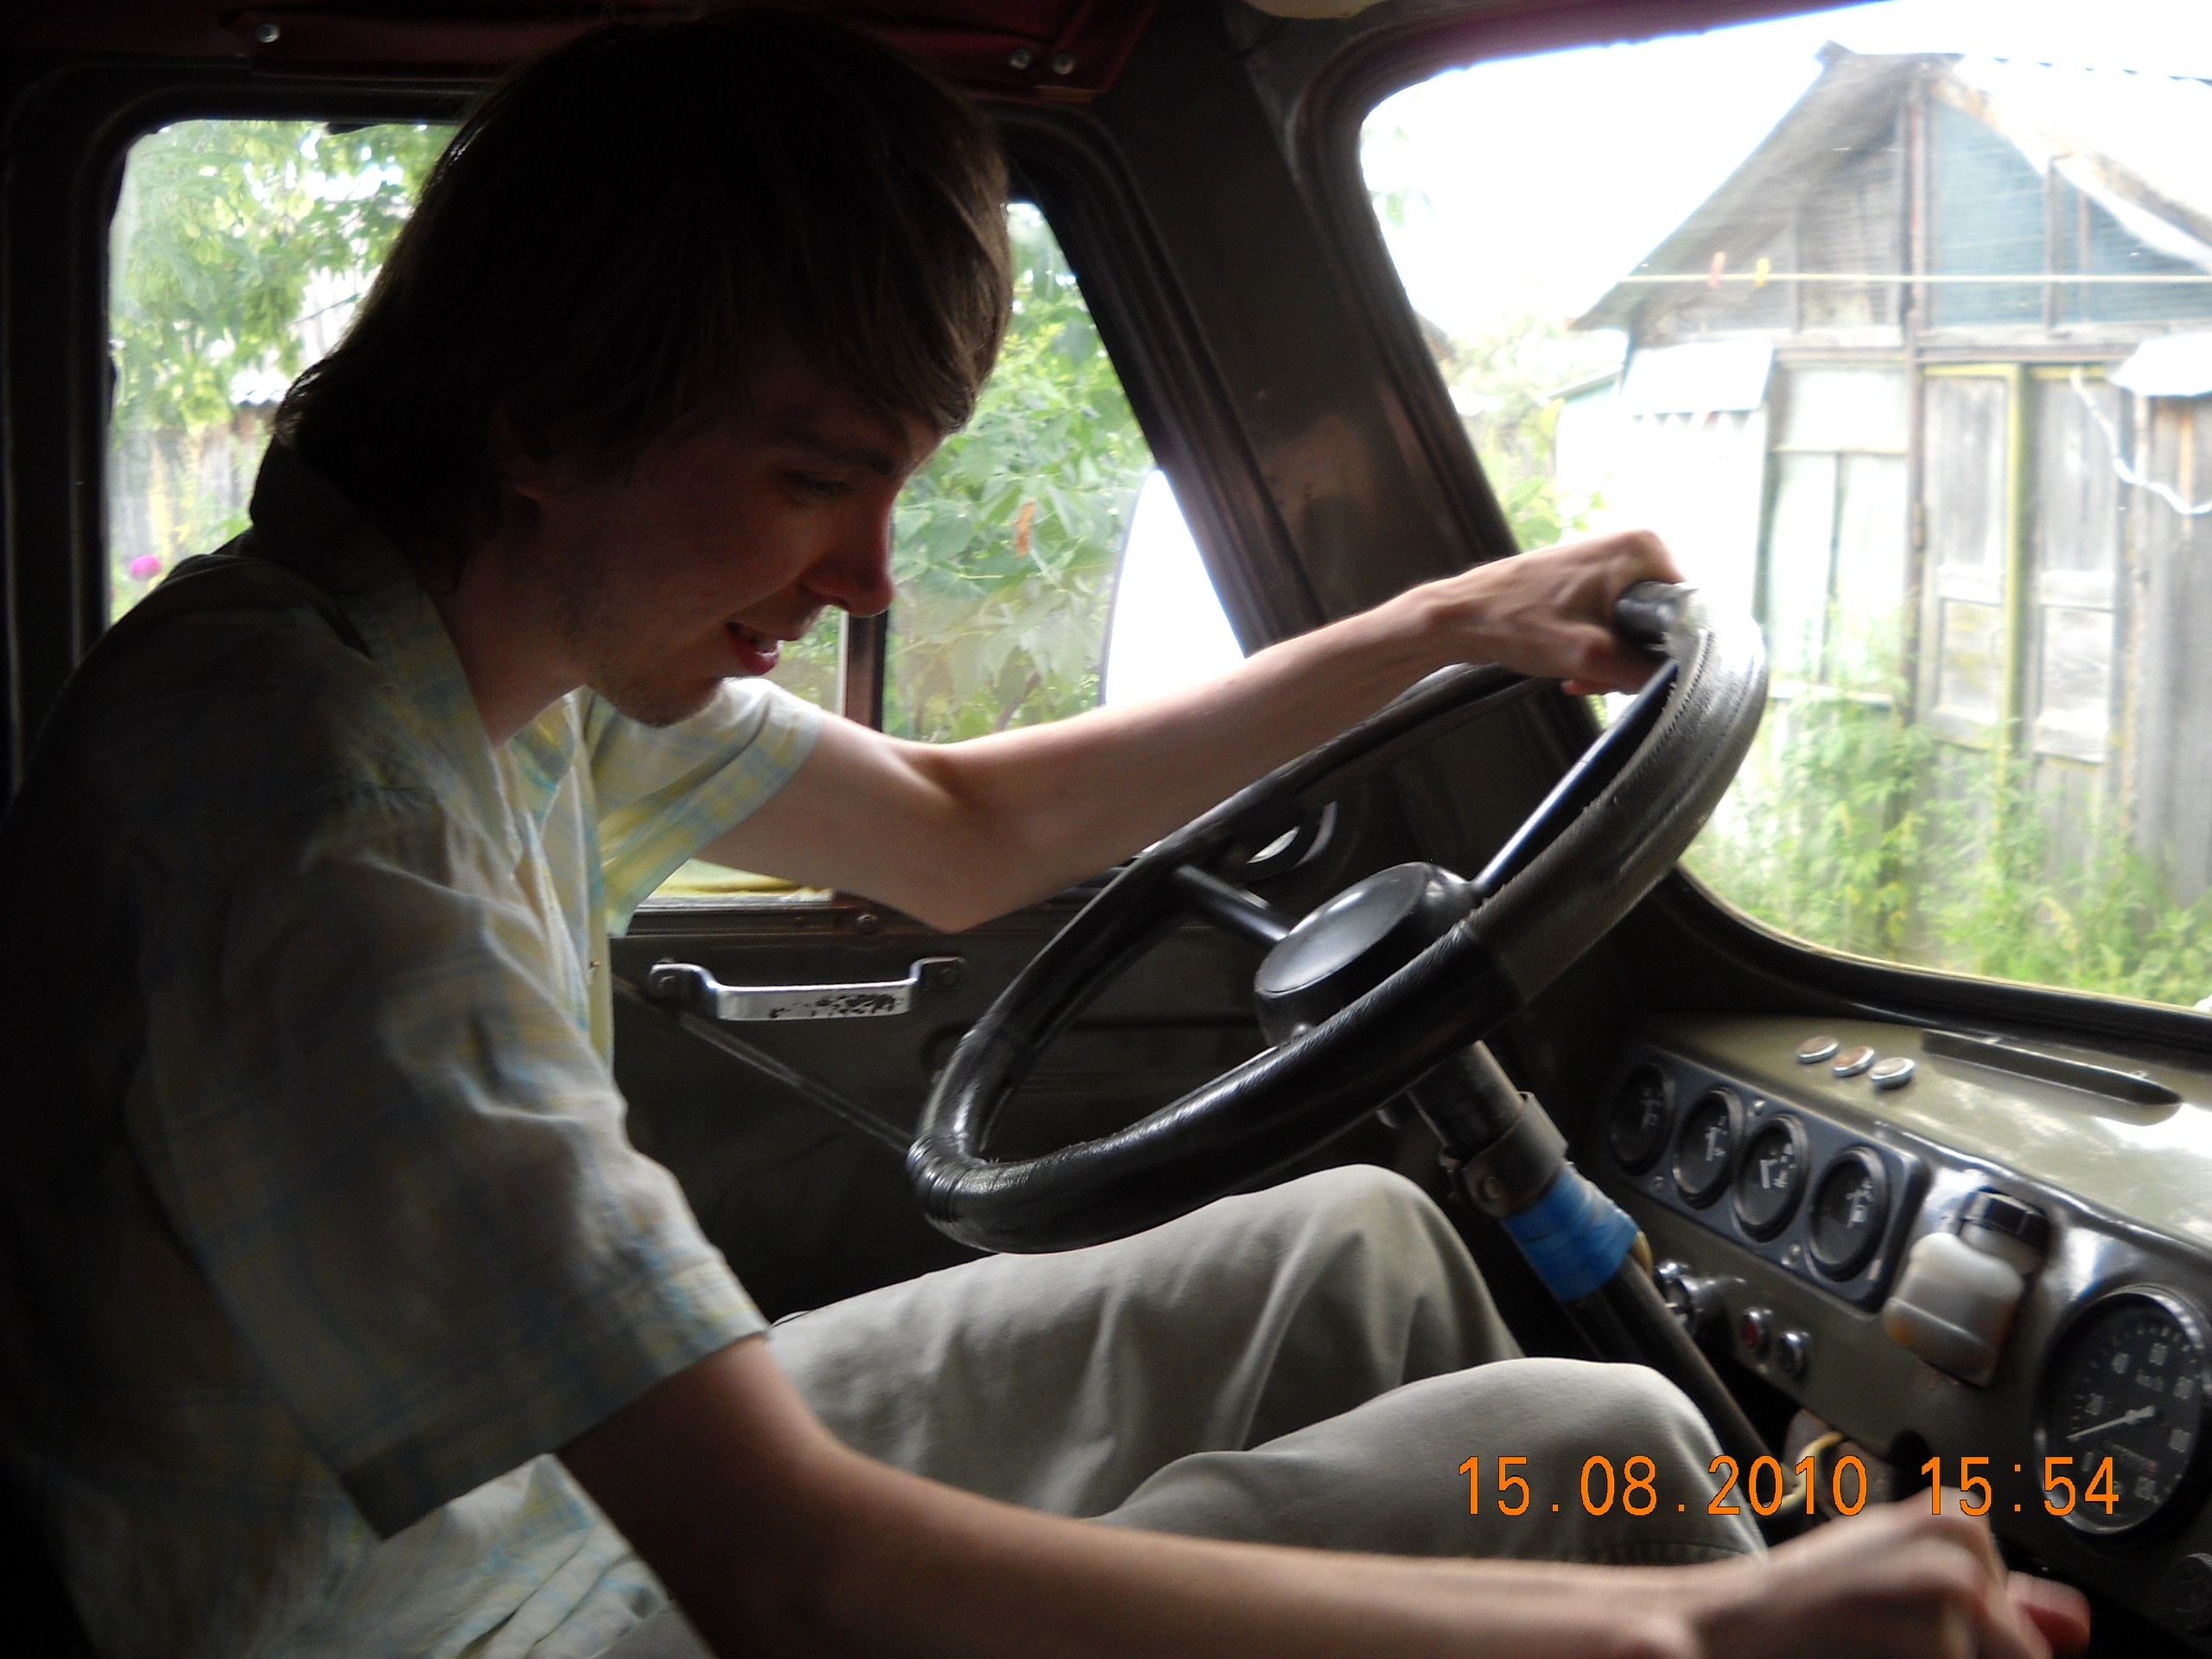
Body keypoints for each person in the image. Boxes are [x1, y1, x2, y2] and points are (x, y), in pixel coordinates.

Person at [0, 10, 2089, 1659]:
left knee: (1353, 1251)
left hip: (535, 1509)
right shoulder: (308, 829)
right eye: (813, 478)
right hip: (445, 1624)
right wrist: (1695, 1629)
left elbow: (957, 828)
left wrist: (1437, 625)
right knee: (1595, 1449)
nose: (867, 573)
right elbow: (789, 1578)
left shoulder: (491, 654)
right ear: (546, 411)